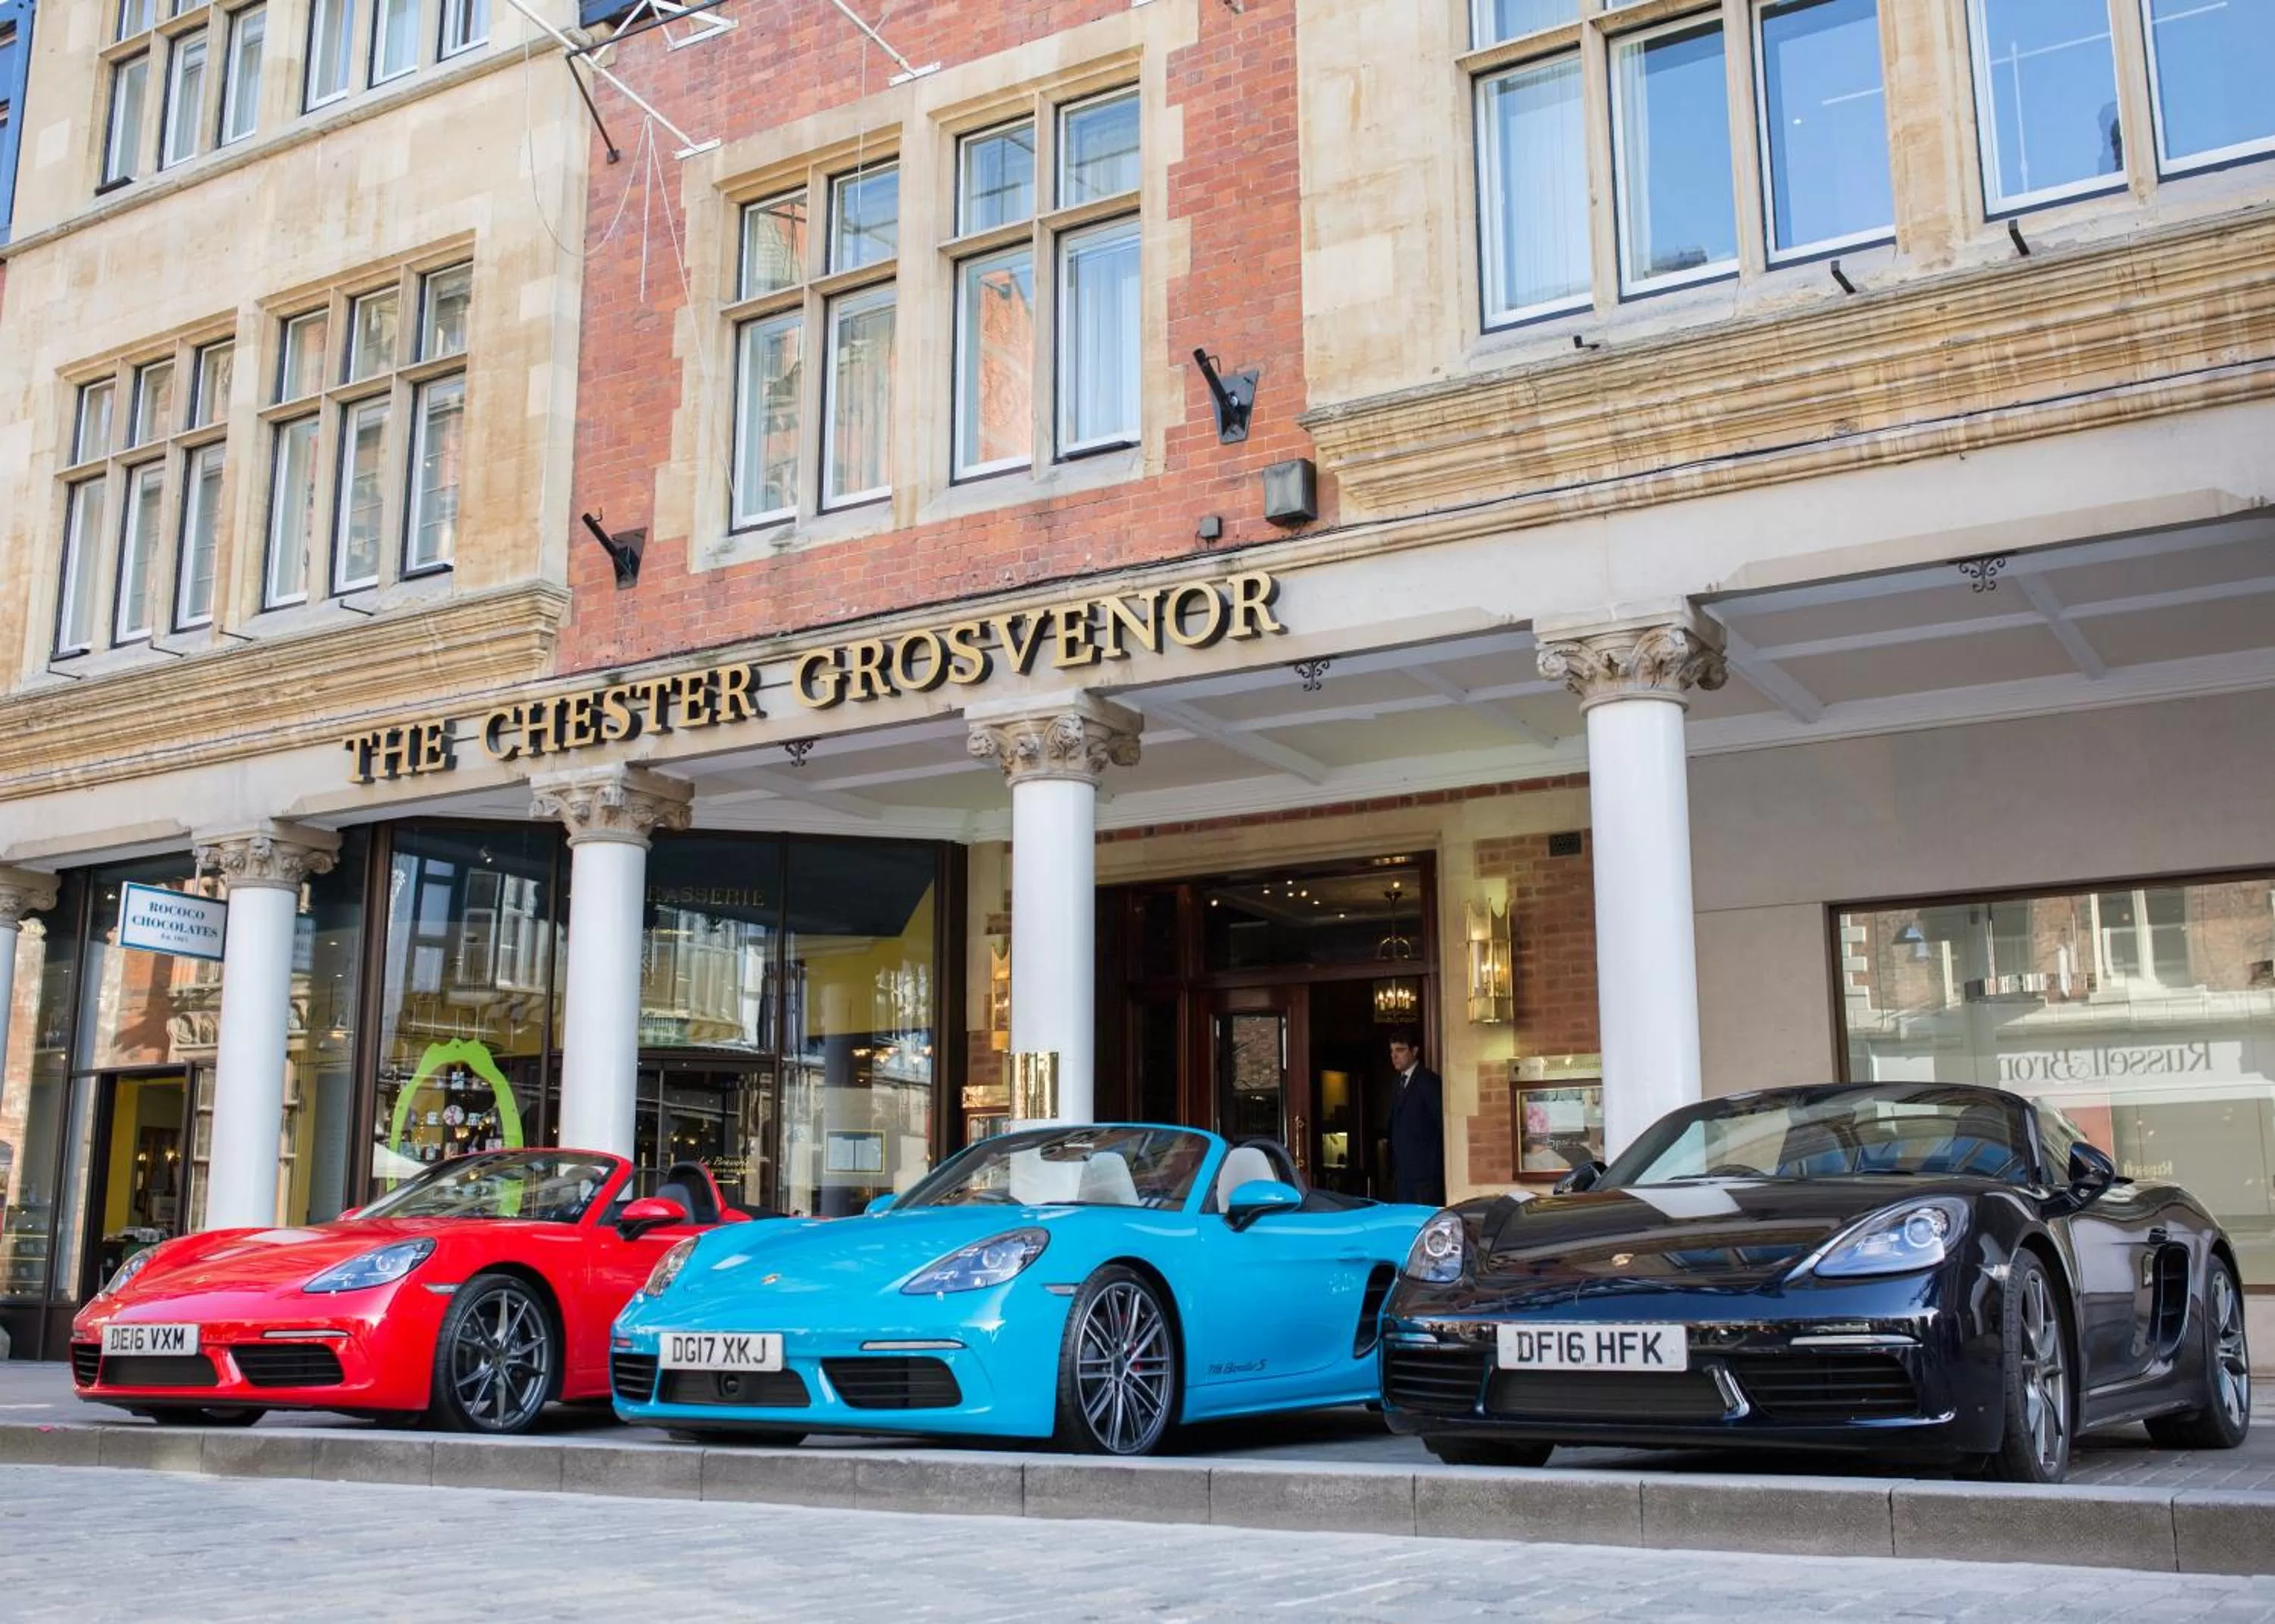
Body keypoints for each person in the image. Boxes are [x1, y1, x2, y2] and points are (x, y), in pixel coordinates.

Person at [1385, 1031, 1445, 1206]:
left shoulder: (1428, 1081)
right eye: (1392, 1051)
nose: (1394, 1056)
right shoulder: (1398, 1082)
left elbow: (1441, 1123)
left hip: (1425, 1175)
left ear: (1414, 1051)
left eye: (1400, 1050)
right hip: (1404, 1173)